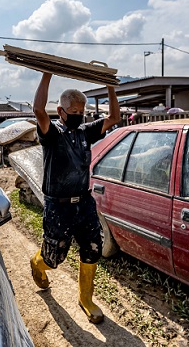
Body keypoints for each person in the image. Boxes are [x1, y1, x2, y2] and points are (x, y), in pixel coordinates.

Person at [29, 72, 120, 324]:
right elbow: (38, 109)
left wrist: (110, 87)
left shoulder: (85, 132)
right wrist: (47, 72)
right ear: (61, 111)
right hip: (58, 208)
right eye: (74, 110)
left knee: (93, 249)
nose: (79, 114)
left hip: (84, 203)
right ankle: (38, 263)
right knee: (54, 257)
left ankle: (86, 299)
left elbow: (114, 117)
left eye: (82, 111)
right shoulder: (52, 134)